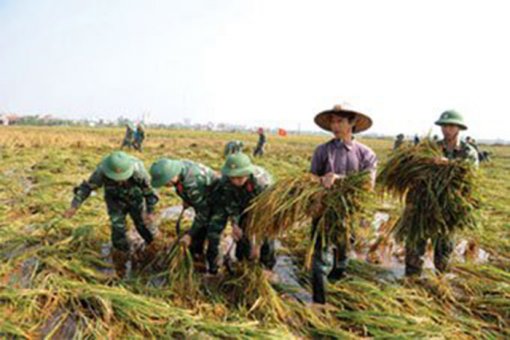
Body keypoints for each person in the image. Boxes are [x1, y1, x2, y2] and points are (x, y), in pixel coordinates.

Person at [310, 104, 377, 304]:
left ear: (352, 123)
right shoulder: (322, 151)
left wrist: (339, 179)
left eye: (340, 121)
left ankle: (338, 284)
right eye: (332, 121)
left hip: (350, 214)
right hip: (323, 211)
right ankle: (319, 303)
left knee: (343, 252)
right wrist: (320, 180)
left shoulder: (366, 153)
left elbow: (368, 185)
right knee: (319, 260)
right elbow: (310, 177)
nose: (335, 126)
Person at [405, 110, 479, 277]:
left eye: (451, 126)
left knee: (444, 251)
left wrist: (449, 165)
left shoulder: (468, 152)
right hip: (423, 205)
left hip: (449, 208)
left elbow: (469, 176)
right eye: (444, 126)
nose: (446, 129)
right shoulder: (432, 148)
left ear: (459, 128)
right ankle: (411, 282)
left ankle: (441, 284)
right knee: (415, 246)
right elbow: (416, 172)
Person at [64, 151, 159, 277]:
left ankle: (154, 249)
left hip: (135, 199)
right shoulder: (102, 171)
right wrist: (74, 206)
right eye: (115, 178)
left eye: (122, 178)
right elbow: (87, 187)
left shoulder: (138, 171)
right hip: (114, 200)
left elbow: (150, 193)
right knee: (117, 227)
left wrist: (150, 211)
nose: (119, 181)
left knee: (142, 224)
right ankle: (122, 257)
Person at [206, 153, 276, 274]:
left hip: (263, 207)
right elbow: (231, 204)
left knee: (267, 236)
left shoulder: (262, 183)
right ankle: (242, 262)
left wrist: (257, 241)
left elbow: (268, 212)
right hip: (241, 203)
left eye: (239, 178)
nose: (235, 181)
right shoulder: (226, 181)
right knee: (241, 233)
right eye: (232, 178)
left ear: (247, 174)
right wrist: (235, 224)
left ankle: (267, 266)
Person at [149, 158, 220, 263]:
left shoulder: (192, 183)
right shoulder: (179, 168)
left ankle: (211, 265)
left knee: (209, 231)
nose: (164, 185)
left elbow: (203, 212)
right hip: (203, 197)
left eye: (165, 182)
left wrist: (190, 235)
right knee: (200, 229)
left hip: (217, 200)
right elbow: (181, 186)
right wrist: (186, 199)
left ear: (172, 176)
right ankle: (197, 253)